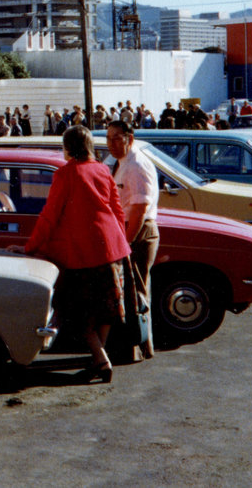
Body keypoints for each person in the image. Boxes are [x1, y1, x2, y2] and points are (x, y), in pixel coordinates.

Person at [10, 125, 130, 383]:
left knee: (78, 312)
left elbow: (49, 217)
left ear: (69, 147)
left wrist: (30, 248)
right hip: (111, 251)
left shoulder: (66, 175)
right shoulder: (103, 170)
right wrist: (119, 242)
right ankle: (99, 357)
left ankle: (100, 359)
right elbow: (117, 212)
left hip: (81, 255)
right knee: (105, 310)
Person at [107, 119, 159, 360]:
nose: (112, 143)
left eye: (117, 138)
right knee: (132, 293)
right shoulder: (120, 163)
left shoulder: (136, 165)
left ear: (130, 138)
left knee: (136, 294)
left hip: (137, 232)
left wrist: (126, 245)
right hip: (127, 230)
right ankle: (136, 348)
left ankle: (139, 348)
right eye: (108, 138)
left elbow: (139, 209)